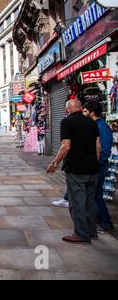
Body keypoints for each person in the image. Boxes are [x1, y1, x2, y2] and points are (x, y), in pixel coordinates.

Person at [47, 99, 100, 244]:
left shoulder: (67, 122)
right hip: (93, 169)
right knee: (90, 202)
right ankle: (92, 231)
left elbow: (66, 146)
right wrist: (94, 163)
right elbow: (98, 147)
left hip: (76, 168)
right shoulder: (92, 122)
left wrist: (54, 163)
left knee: (77, 203)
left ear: (67, 110)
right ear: (81, 107)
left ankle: (82, 234)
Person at [83, 101, 114, 232]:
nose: (84, 114)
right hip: (94, 166)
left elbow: (105, 150)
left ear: (92, 112)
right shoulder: (94, 125)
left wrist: (96, 163)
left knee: (96, 194)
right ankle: (99, 219)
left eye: (85, 111)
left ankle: (106, 222)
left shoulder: (102, 127)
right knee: (94, 194)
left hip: (99, 167)